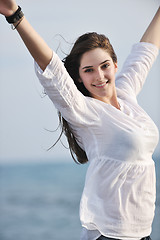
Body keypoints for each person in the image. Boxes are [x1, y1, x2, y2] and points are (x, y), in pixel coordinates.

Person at [0, 1, 159, 239]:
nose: (100, 76)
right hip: (110, 235)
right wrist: (16, 16)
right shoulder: (85, 111)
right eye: (89, 70)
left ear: (115, 66)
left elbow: (145, 52)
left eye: (105, 66)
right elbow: (51, 69)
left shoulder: (126, 96)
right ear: (80, 78)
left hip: (142, 233)